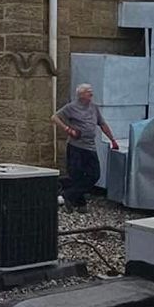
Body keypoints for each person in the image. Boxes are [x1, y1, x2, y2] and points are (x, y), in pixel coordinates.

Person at [53, 82, 119, 211]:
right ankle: (79, 203)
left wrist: (112, 140)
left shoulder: (94, 108)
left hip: (90, 147)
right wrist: (68, 129)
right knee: (76, 175)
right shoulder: (71, 107)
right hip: (75, 147)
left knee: (94, 175)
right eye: (89, 91)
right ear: (81, 95)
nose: (91, 93)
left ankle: (67, 195)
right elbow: (55, 117)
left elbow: (103, 124)